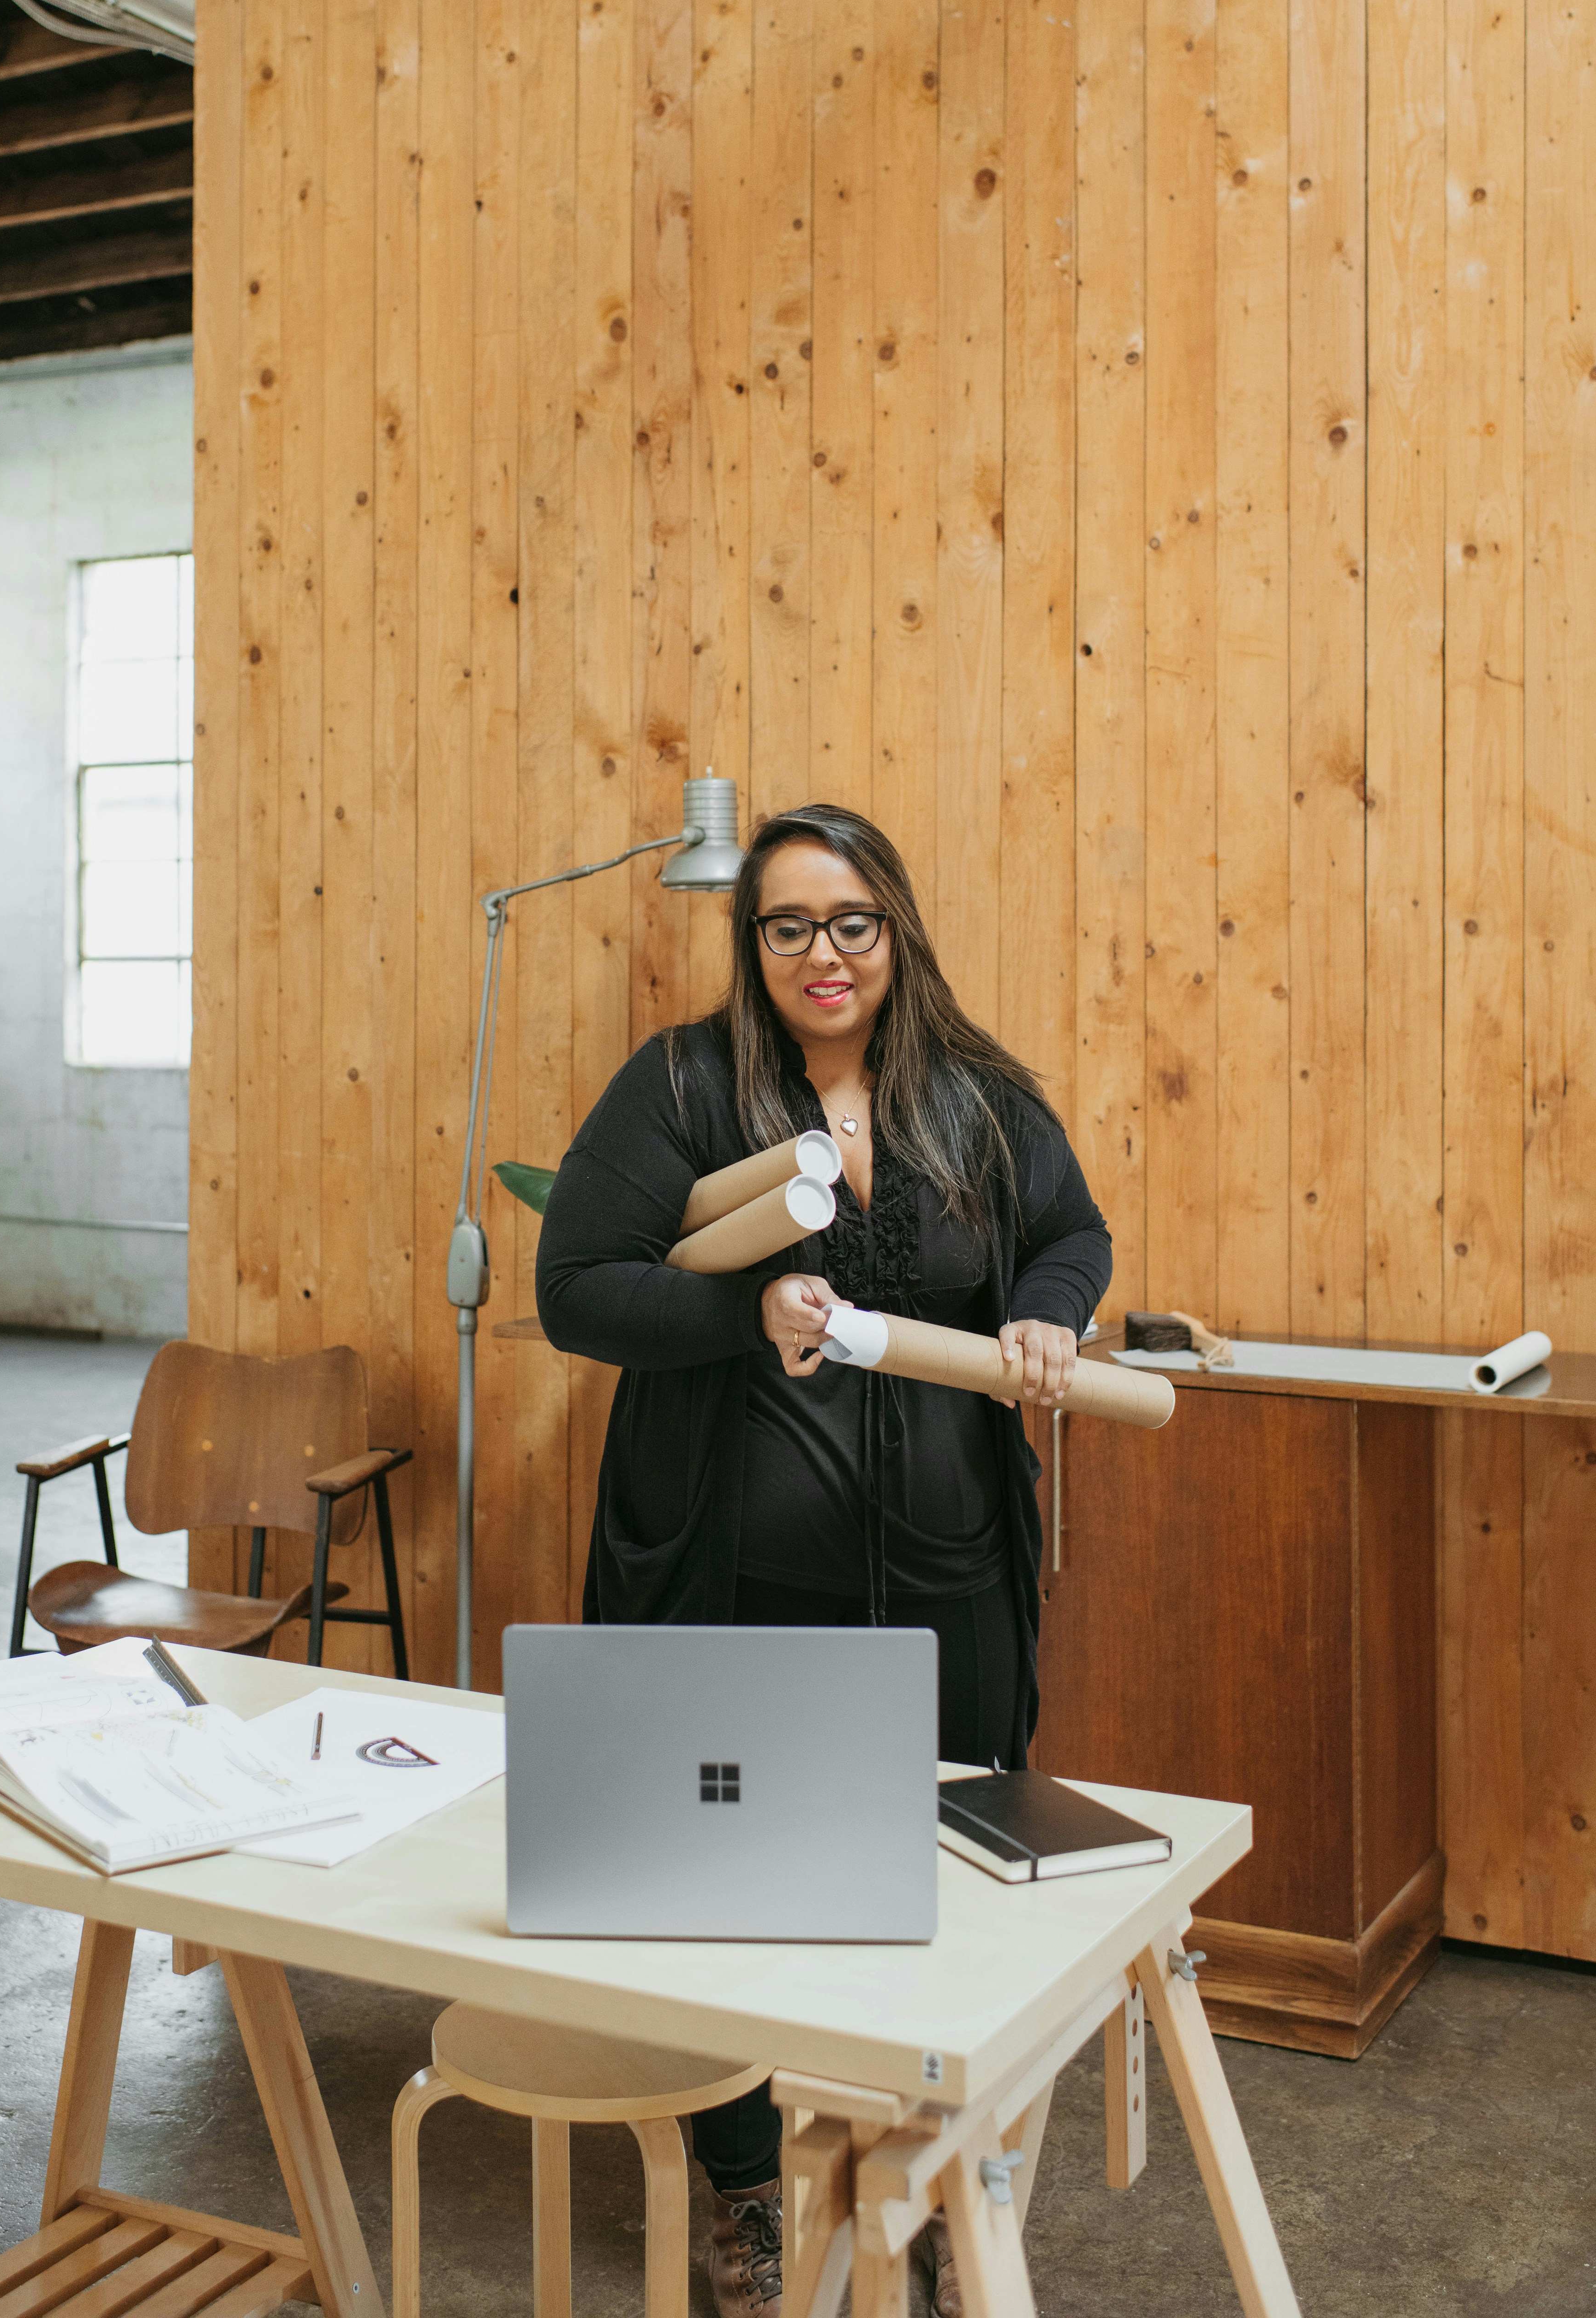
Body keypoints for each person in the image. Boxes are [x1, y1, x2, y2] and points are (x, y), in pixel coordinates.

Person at [536, 803, 1112, 2318]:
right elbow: (576, 1292)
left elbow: (1069, 1233)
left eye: (851, 920)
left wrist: (1048, 1312)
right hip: (732, 1588)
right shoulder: (678, 1085)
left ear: (895, 927)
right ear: (754, 945)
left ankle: (912, 2176)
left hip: (951, 1582)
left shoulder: (974, 1098)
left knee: (944, 1885)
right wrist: (746, 1315)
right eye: (788, 925)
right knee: (726, 1891)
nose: (824, 954)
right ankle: (752, 2196)